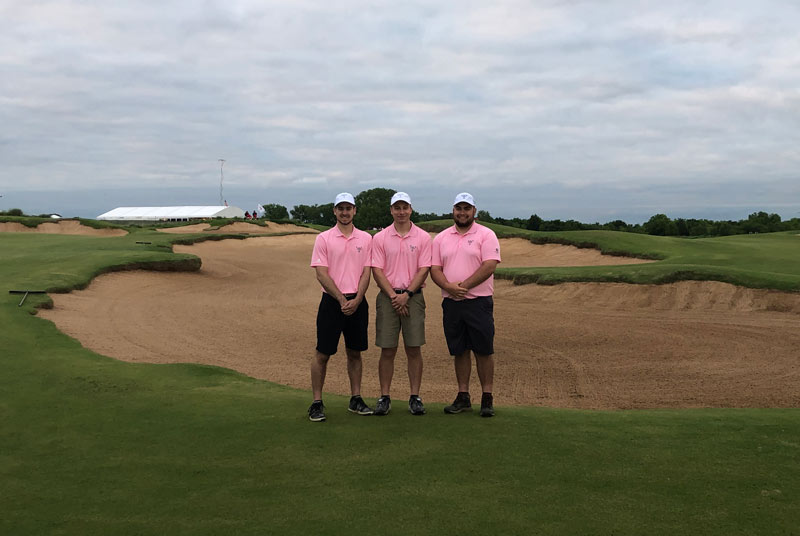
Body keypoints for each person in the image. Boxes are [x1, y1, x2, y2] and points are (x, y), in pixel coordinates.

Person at [431, 192, 501, 417]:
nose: (462, 212)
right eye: (458, 208)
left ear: (474, 211)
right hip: (451, 302)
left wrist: (464, 286)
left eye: (466, 208)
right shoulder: (441, 237)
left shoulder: (486, 234)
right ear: (453, 210)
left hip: (478, 302)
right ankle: (463, 396)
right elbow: (435, 269)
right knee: (459, 350)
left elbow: (489, 265)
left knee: (483, 350)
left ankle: (487, 397)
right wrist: (449, 288)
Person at [308, 192, 374, 421]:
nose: (345, 212)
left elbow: (367, 271)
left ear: (355, 210)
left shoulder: (366, 239)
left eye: (349, 208)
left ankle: (356, 399)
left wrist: (357, 299)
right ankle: (317, 402)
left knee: (355, 353)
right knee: (322, 353)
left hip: (358, 302)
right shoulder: (324, 238)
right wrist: (341, 299)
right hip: (332, 302)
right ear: (334, 211)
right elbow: (321, 273)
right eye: (340, 208)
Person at [370, 192, 432, 416]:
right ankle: (384, 396)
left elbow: (424, 269)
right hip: (388, 298)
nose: (401, 211)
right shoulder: (380, 238)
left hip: (413, 298)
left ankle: (415, 396)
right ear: (391, 211)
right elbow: (377, 270)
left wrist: (406, 294)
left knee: (414, 349)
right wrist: (395, 296)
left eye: (404, 207)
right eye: (397, 207)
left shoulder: (423, 237)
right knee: (388, 350)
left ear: (411, 209)